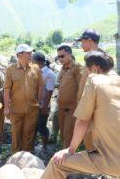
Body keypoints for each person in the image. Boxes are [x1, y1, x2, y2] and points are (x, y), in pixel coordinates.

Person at [41, 51, 120, 179]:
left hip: (110, 160)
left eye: (87, 70)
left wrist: (70, 150)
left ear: (95, 68)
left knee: (57, 163)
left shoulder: (95, 80)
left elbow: (83, 121)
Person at [4, 44, 44, 154]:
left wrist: (39, 101)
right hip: (16, 109)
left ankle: (28, 156)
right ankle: (16, 156)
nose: (31, 54)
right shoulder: (10, 69)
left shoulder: (35, 68)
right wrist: (6, 108)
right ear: (19, 55)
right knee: (16, 134)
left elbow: (41, 85)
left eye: (31, 52)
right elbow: (6, 89)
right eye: (28, 53)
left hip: (32, 109)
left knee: (29, 134)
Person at [57, 45, 83, 148]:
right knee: (63, 134)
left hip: (72, 109)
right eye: (58, 57)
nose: (60, 59)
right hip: (61, 107)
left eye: (62, 56)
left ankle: (66, 161)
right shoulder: (63, 68)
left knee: (68, 135)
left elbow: (81, 89)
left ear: (70, 54)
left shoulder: (77, 68)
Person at [32, 52, 56, 153]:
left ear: (37, 62)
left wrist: (44, 107)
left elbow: (50, 91)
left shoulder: (49, 74)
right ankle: (31, 146)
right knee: (33, 126)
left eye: (32, 61)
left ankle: (44, 147)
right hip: (34, 104)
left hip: (43, 105)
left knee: (42, 127)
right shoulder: (35, 71)